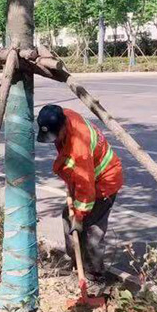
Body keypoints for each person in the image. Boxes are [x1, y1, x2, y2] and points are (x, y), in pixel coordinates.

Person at [36, 104, 123, 281]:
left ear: (63, 127)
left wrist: (79, 215)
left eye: (55, 135)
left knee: (91, 228)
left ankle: (94, 275)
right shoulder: (64, 116)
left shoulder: (79, 148)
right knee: (69, 218)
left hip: (104, 182)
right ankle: (77, 264)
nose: (54, 141)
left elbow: (86, 186)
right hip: (89, 177)